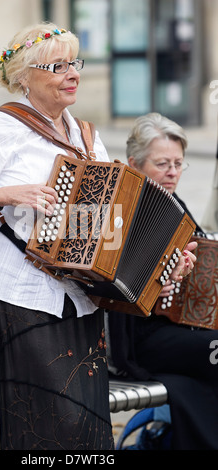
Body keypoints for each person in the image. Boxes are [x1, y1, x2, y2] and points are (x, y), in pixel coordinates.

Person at [0, 23, 193, 451]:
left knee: (86, 434)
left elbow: (112, 233)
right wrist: (2, 195)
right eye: (57, 65)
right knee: (43, 432)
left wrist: (165, 267)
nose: (72, 73)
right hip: (20, 301)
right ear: (23, 76)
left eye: (75, 63)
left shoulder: (88, 139)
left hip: (81, 304)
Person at [107, 112, 218, 450]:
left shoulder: (175, 205)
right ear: (134, 164)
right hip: (138, 337)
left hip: (184, 330)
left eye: (178, 164)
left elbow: (198, 272)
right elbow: (105, 284)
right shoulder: (118, 210)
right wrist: (156, 287)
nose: (172, 172)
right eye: (162, 163)